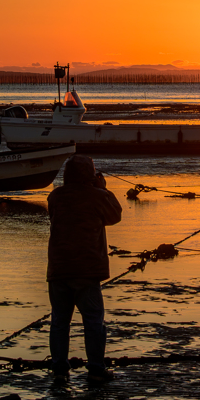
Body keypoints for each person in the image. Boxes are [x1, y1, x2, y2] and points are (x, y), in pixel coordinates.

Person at [47, 154, 122, 382]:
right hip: (87, 269)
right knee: (93, 321)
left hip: (59, 268)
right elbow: (115, 216)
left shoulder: (55, 196)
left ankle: (59, 366)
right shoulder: (97, 196)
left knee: (60, 321)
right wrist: (104, 189)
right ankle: (96, 367)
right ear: (89, 175)